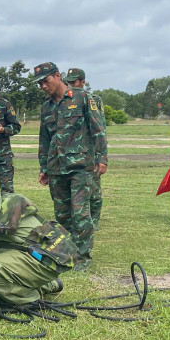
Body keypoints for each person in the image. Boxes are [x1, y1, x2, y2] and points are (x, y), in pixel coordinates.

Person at [34, 62, 107, 265]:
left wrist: (102, 158)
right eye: (39, 83)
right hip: (56, 167)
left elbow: (98, 130)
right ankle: (67, 253)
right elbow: (44, 139)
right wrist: (44, 167)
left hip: (81, 166)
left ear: (58, 76)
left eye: (45, 81)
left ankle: (83, 258)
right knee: (62, 214)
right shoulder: (46, 107)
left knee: (80, 213)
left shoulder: (83, 98)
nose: (43, 86)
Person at [65, 67, 106, 228]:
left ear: (83, 82)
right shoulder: (64, 100)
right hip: (71, 153)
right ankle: (76, 219)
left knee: (94, 189)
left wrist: (101, 155)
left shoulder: (93, 99)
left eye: (74, 82)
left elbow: (99, 127)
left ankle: (93, 220)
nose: (71, 86)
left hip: (90, 151)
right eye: (68, 83)